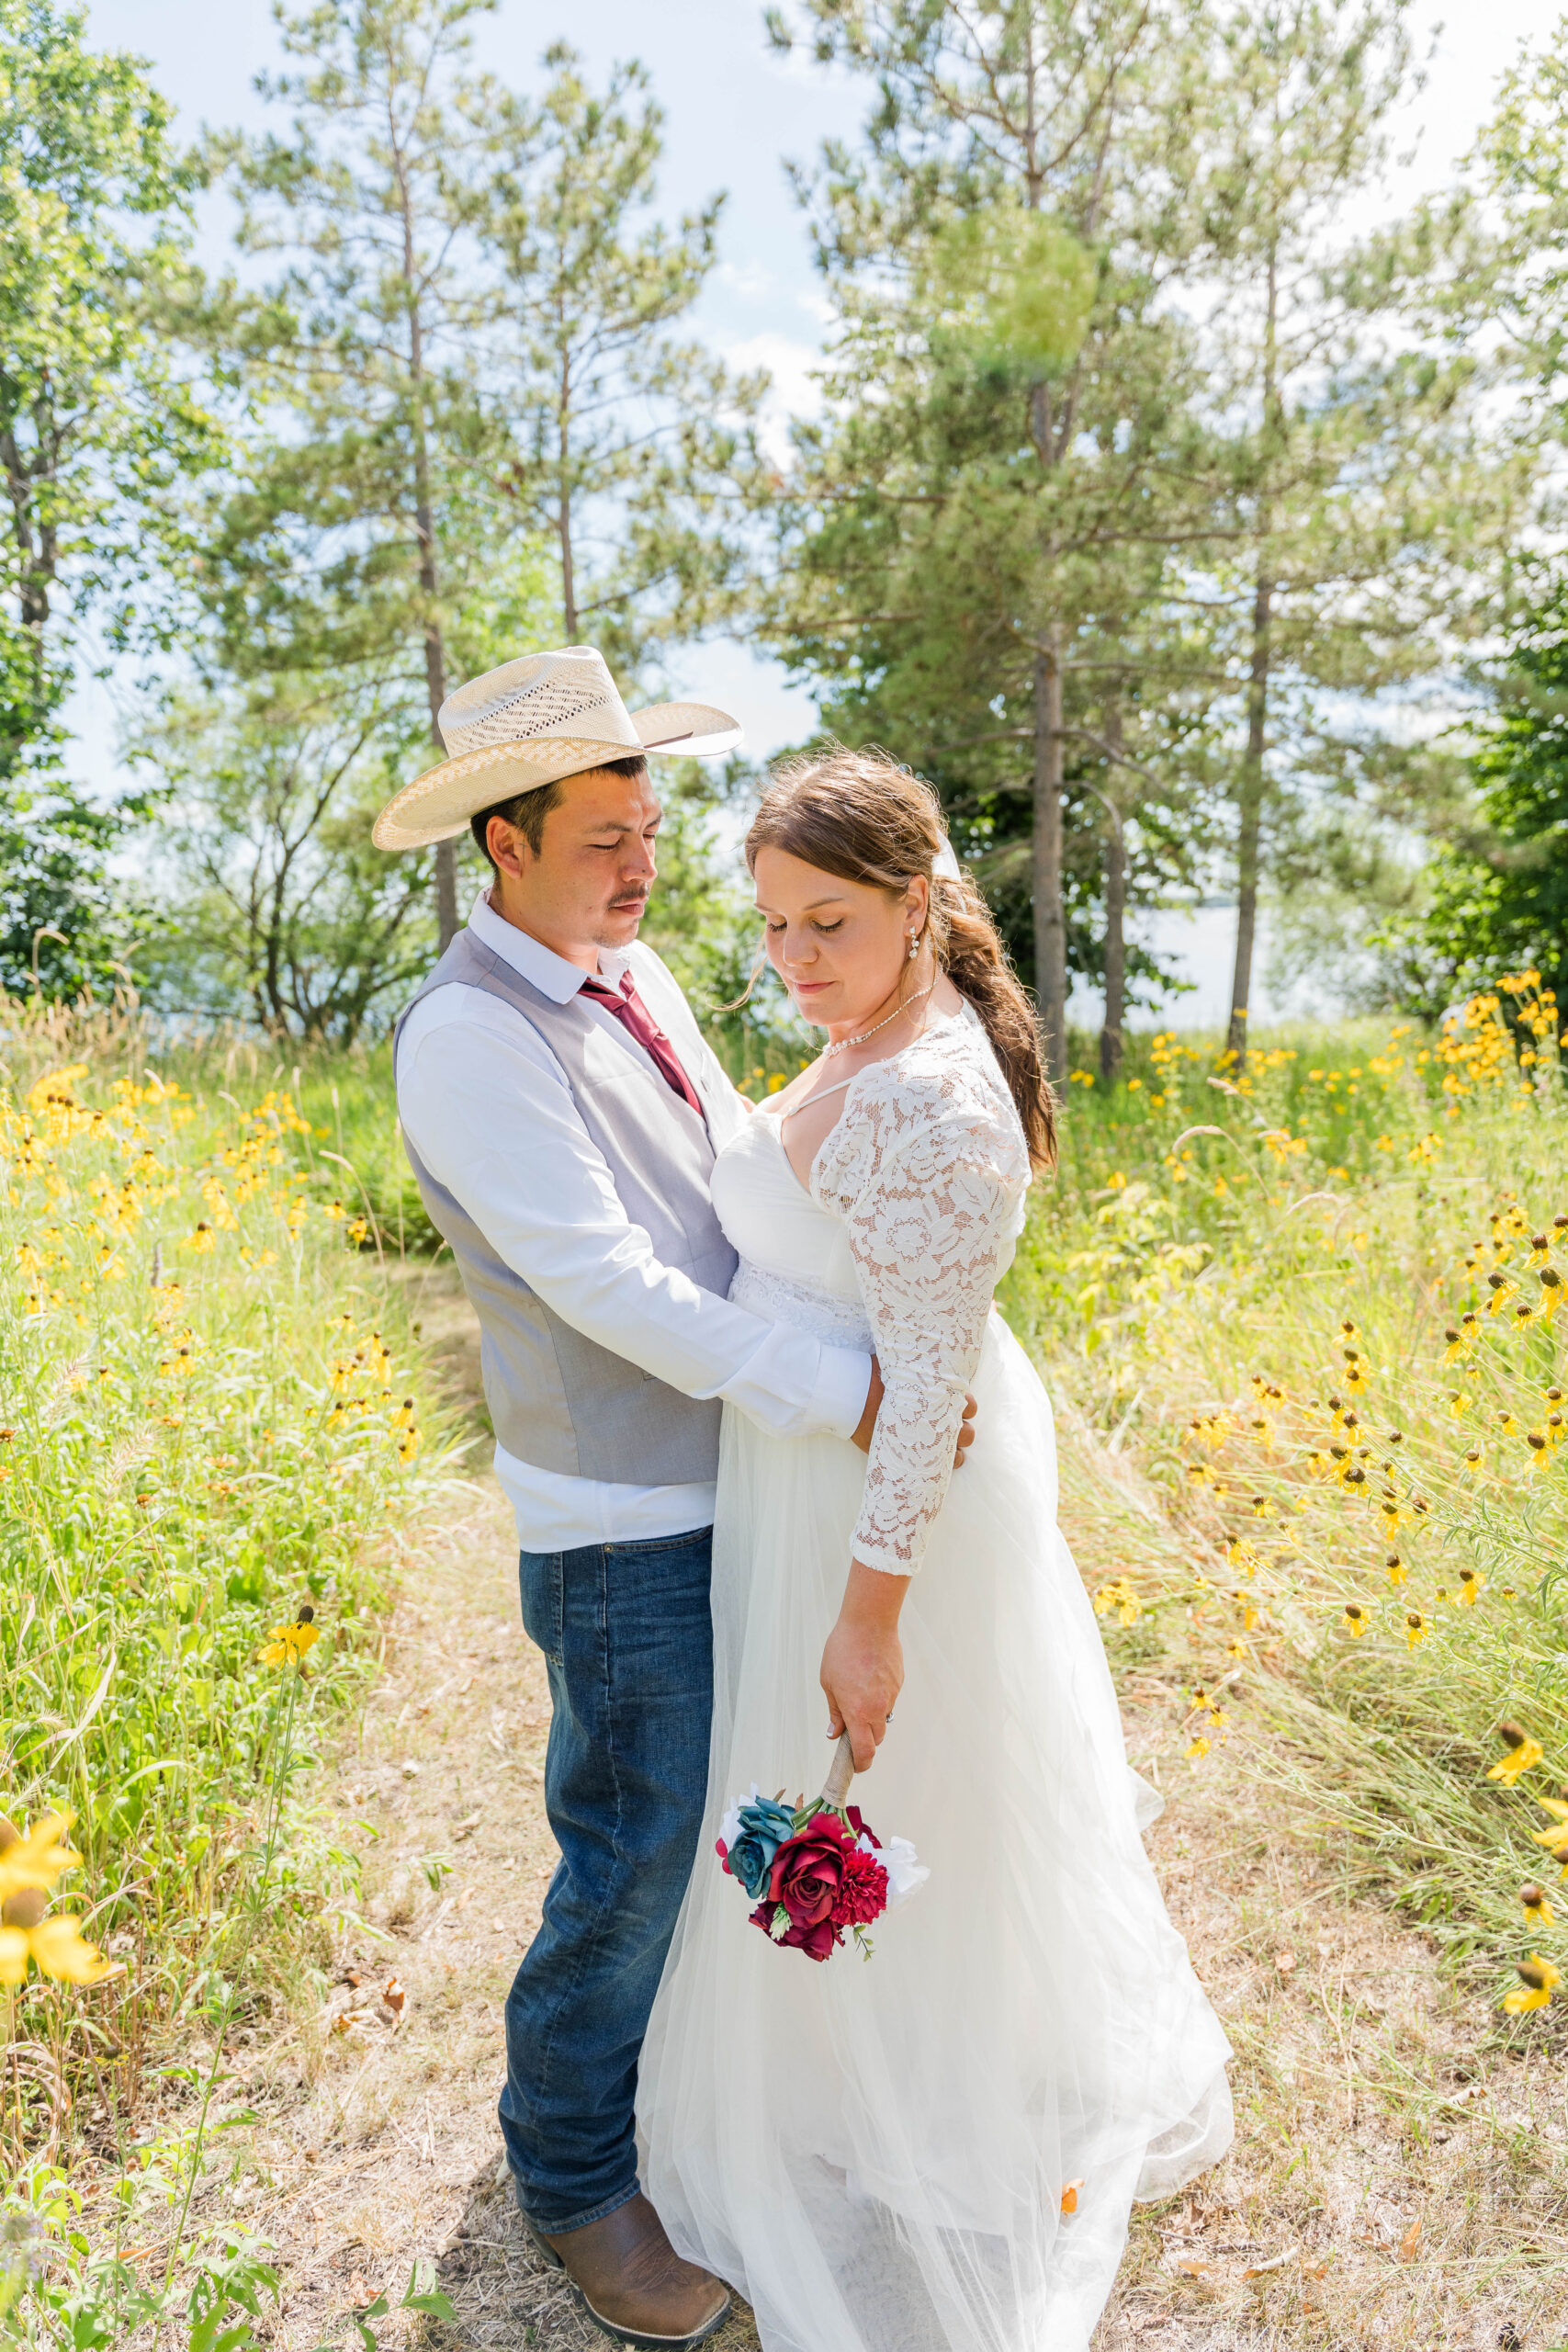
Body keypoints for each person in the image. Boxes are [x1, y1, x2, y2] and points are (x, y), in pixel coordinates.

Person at [374, 649, 975, 2351]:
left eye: (647, 829)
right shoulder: (468, 1037)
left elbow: (730, 1208)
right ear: (500, 844)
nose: (640, 867)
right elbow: (612, 1282)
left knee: (720, 1833)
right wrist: (844, 1390)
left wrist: (882, 1355)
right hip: (621, 1520)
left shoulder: (633, 980)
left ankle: (685, 2108)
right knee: (629, 1858)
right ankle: (569, 2180)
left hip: (742, 1480)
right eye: (598, 840)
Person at [638, 747, 1235, 2352]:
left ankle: (927, 2091)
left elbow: (925, 1409)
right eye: (771, 926)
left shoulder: (932, 1101)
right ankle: (850, 2072)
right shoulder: (875, 1034)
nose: (794, 959)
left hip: (878, 1527)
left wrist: (870, 1623)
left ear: (919, 902)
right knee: (872, 1797)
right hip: (807, 1486)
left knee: (894, 1786)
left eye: (828, 922)